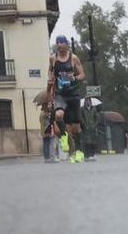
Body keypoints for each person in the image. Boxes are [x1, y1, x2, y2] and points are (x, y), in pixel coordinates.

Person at [44, 34, 87, 164]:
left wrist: (74, 77)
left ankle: (79, 152)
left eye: (61, 44)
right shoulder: (53, 58)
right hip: (60, 94)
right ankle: (63, 137)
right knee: (58, 115)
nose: (59, 46)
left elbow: (82, 74)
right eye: (57, 44)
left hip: (73, 93)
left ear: (66, 45)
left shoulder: (73, 58)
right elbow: (51, 73)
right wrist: (50, 85)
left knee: (75, 127)